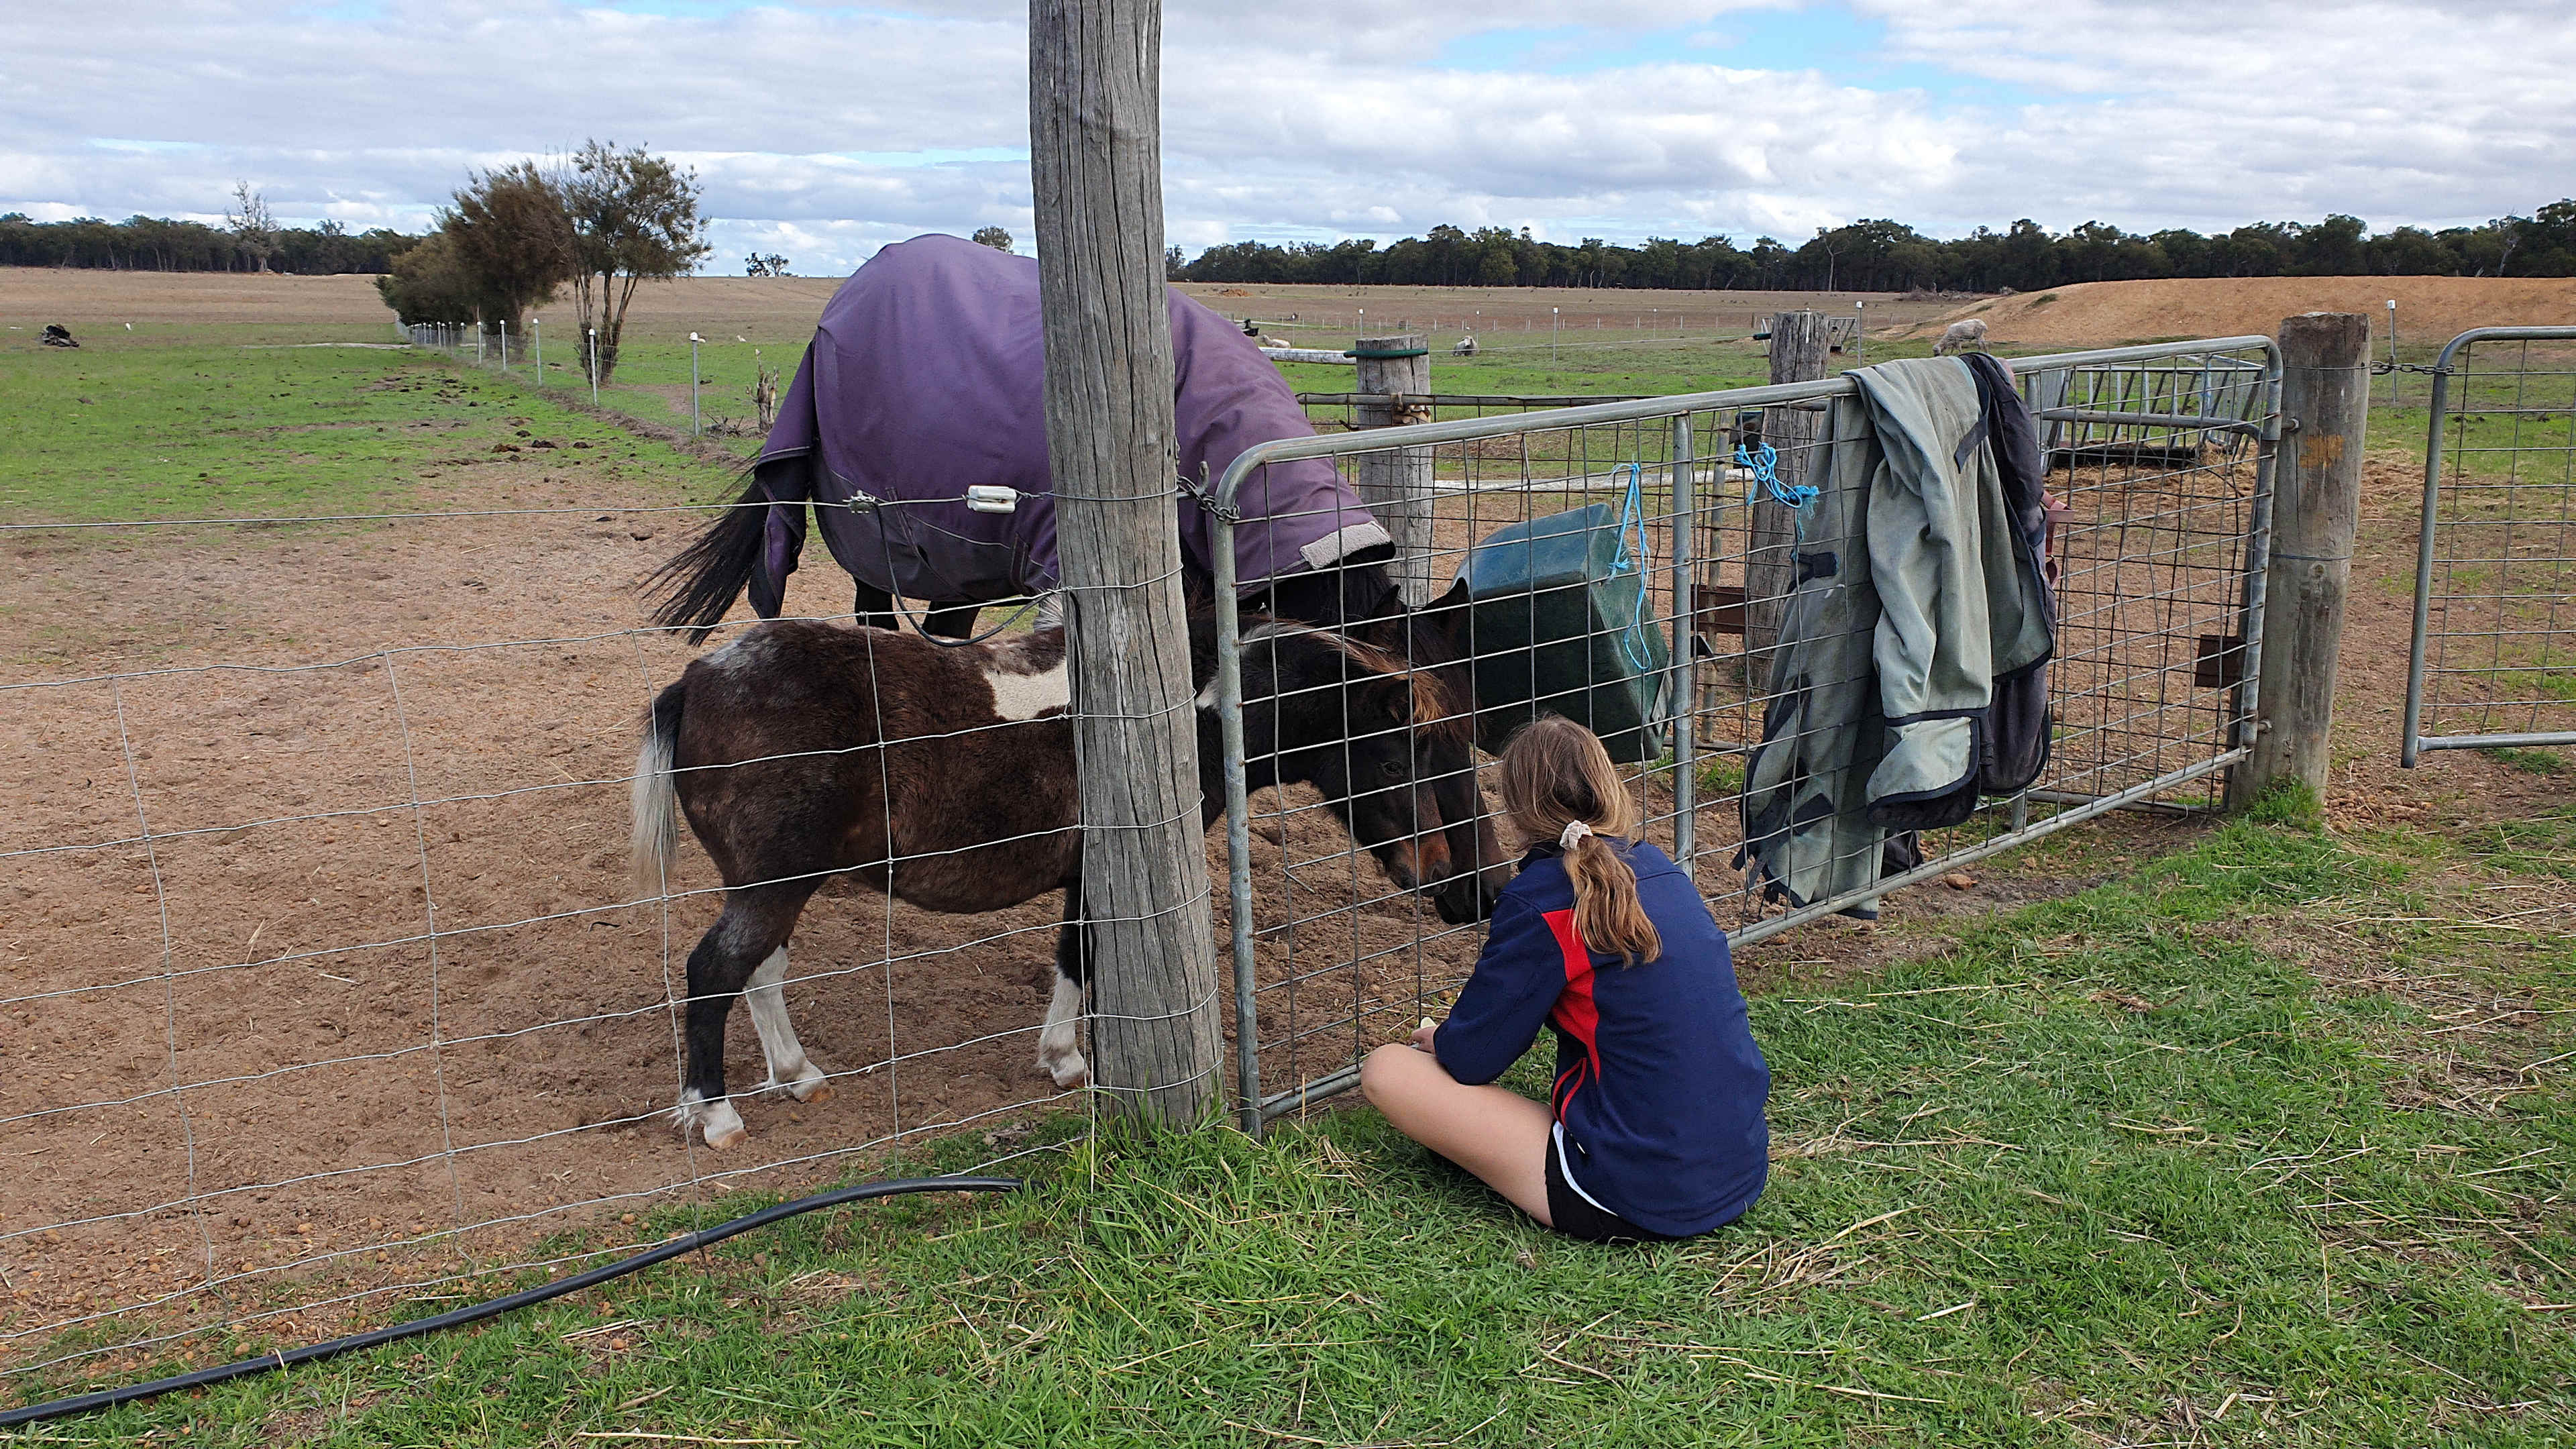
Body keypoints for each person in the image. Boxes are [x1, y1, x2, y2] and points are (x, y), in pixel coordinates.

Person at [1360, 716, 1770, 1242]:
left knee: (1388, 1069)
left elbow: (1473, 1059)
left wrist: (1442, 1039)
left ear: (1516, 808)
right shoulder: (1664, 871)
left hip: (1636, 1197)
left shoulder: (1540, 902)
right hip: (1739, 1170)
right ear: (1609, 785)